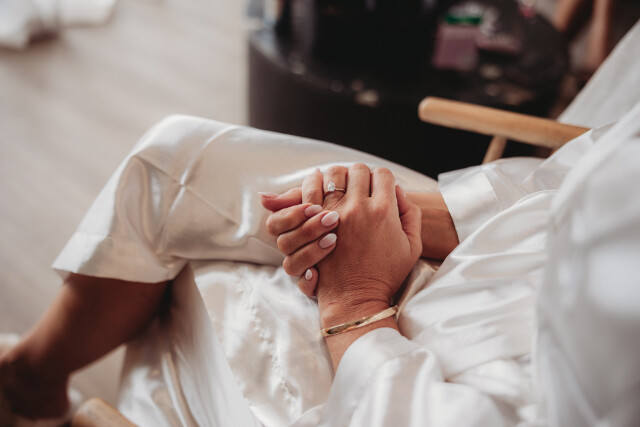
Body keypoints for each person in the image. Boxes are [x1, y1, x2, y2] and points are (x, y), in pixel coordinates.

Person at [1, 99, 639, 426]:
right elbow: (591, 163)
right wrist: (434, 217)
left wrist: (356, 302)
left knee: (196, 263)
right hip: (500, 237)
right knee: (173, 163)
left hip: (414, 380)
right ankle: (33, 373)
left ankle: (30, 377)